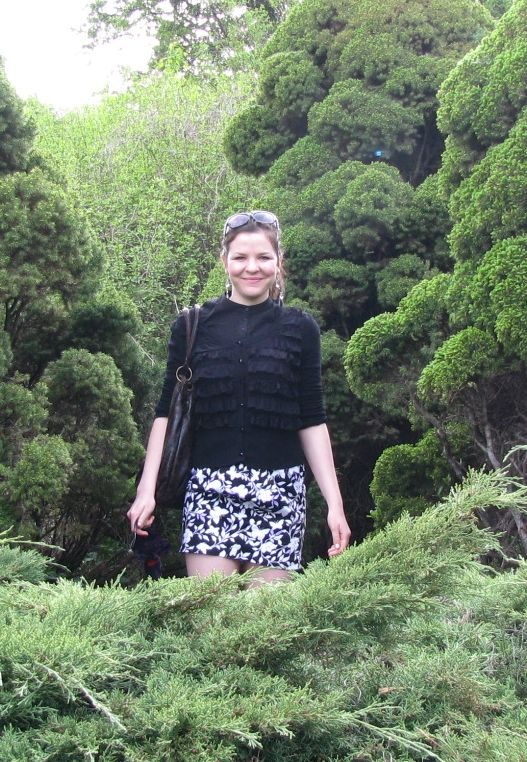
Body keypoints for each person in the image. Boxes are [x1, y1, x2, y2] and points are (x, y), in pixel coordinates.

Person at [127, 210, 351, 584]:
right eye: (240, 257)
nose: (252, 267)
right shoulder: (192, 325)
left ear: (278, 261)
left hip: (281, 495)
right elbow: (166, 413)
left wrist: (335, 505)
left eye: (263, 257)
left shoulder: (301, 328)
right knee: (214, 614)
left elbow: (312, 420)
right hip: (209, 491)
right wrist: (145, 490)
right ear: (224, 261)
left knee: (268, 617)